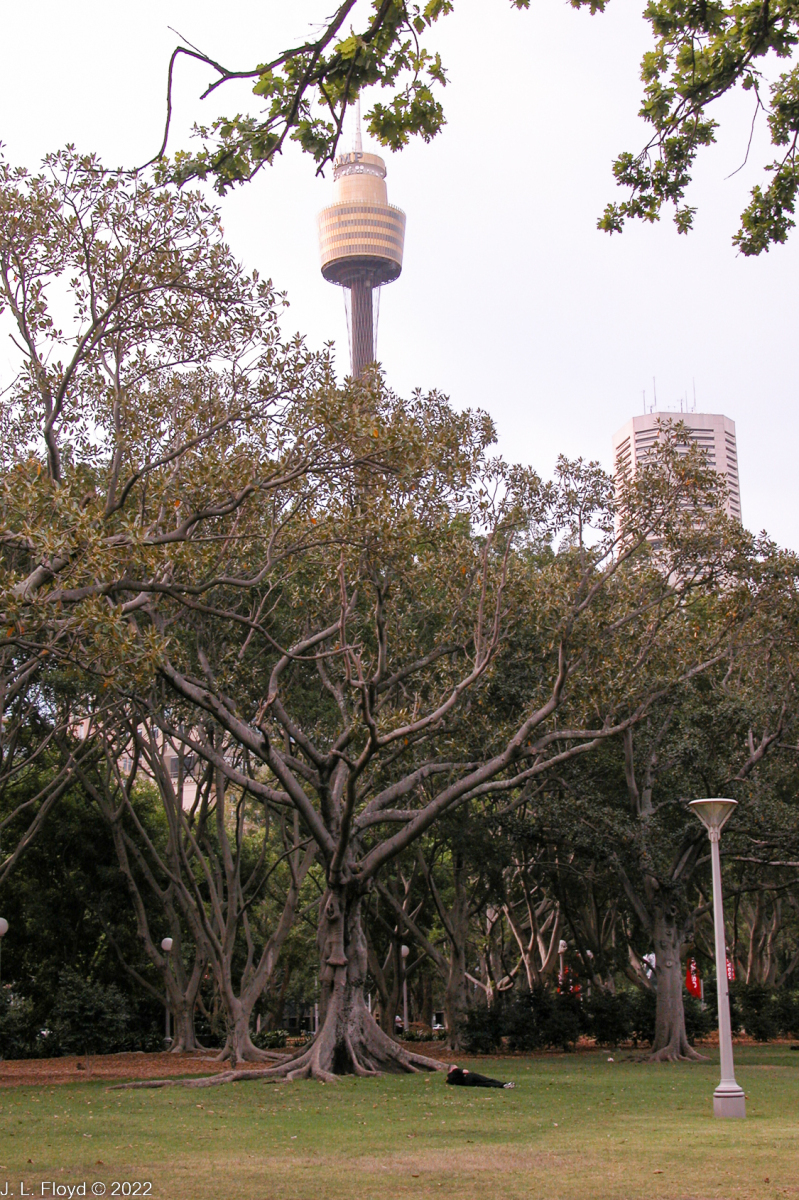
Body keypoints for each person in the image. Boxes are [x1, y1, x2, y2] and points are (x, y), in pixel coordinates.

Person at [446, 1065, 515, 1089]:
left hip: (467, 1084)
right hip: (470, 1077)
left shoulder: (449, 1080)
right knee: (487, 1080)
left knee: (486, 1084)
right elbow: (465, 1071)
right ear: (452, 1068)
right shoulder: (455, 1070)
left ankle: (502, 1086)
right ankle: (503, 1084)